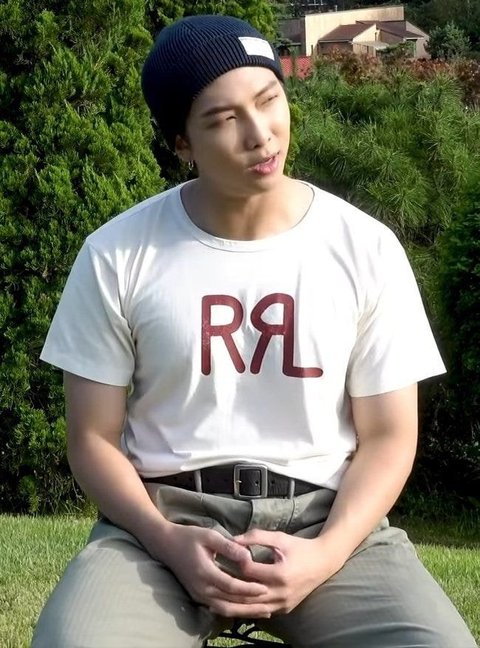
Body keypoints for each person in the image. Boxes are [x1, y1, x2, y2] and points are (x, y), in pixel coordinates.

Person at [32, 14, 477, 648]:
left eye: (269, 100)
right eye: (223, 119)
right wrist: (166, 539)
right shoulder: (118, 253)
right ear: (181, 142)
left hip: (329, 524)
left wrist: (324, 555)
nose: (260, 134)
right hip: (162, 525)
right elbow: (92, 438)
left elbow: (389, 435)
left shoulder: (365, 248)